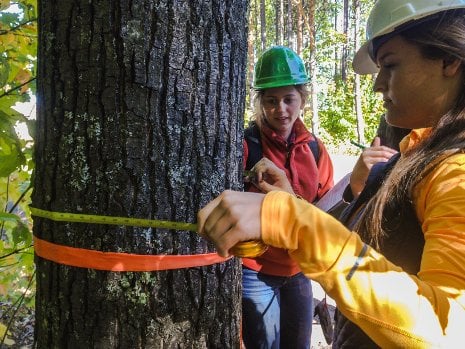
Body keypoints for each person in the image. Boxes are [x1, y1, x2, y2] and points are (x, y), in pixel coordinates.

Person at [198, 1, 465, 347]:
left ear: (449, 60)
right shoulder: (420, 151)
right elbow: (357, 242)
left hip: (294, 274)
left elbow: (448, 330)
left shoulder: (455, 171)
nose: (377, 85)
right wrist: (289, 205)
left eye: (391, 65)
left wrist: (291, 220)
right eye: (270, 100)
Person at [241, 46, 334, 348]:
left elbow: (326, 209)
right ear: (260, 103)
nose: (281, 109)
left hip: (298, 269)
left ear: (302, 100)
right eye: (271, 100)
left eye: (288, 99)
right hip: (256, 270)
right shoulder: (246, 147)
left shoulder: (315, 149)